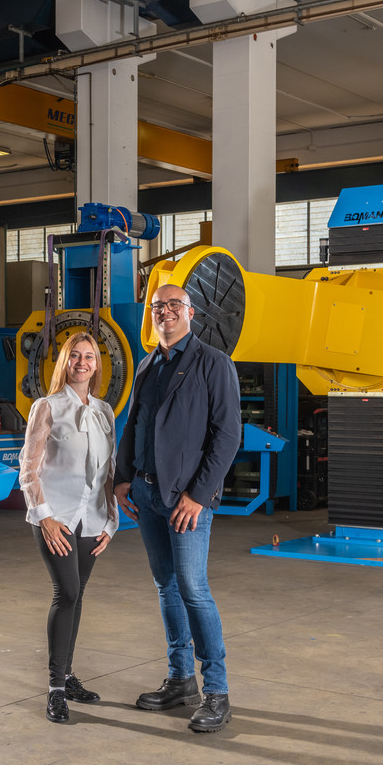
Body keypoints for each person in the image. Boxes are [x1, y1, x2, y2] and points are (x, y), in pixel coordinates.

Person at [114, 283, 243, 733]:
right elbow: (134, 424)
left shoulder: (213, 363)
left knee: (193, 588)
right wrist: (123, 478)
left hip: (187, 499)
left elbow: (227, 435)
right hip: (146, 493)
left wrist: (199, 495)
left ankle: (217, 692)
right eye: (158, 306)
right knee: (167, 587)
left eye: (174, 305)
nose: (165, 312)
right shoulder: (148, 364)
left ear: (190, 312)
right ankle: (180, 679)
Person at [18, 332, 119, 724]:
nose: (82, 362)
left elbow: (109, 472)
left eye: (89, 357)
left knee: (78, 596)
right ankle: (56, 689)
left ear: (97, 365)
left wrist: (111, 521)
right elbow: (29, 468)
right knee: (68, 592)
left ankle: (69, 676)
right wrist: (44, 517)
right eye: (75, 355)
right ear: (64, 362)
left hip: (93, 518)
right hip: (55, 517)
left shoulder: (105, 412)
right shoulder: (47, 407)